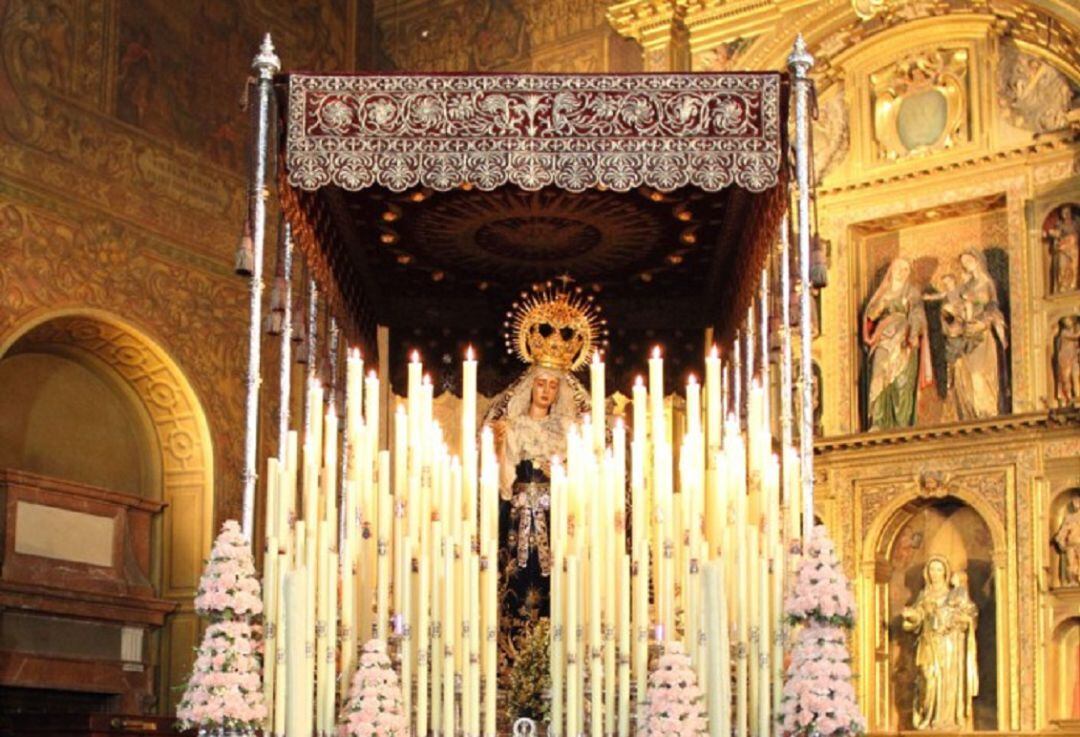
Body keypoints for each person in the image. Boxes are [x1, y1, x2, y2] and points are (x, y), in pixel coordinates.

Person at [901, 556, 978, 730]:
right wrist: (911, 616)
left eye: (938, 569)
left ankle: (945, 720)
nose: (935, 573)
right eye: (932, 569)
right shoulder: (924, 595)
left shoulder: (956, 593)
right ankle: (927, 716)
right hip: (928, 643)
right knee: (928, 678)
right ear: (927, 573)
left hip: (949, 644)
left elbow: (970, 615)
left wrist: (958, 620)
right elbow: (917, 618)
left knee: (947, 681)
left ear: (945, 572)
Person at [863, 258, 931, 430]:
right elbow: (870, 316)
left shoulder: (912, 292)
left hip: (904, 338)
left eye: (906, 269)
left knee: (903, 380)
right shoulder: (882, 294)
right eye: (900, 268)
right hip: (883, 338)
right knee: (878, 375)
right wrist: (881, 304)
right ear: (892, 270)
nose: (903, 272)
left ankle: (902, 424)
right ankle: (878, 420)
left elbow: (917, 312)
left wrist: (914, 332)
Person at [952, 250, 1008, 420]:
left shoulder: (987, 283)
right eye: (964, 262)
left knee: (978, 374)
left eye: (969, 259)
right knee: (962, 374)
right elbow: (958, 308)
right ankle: (970, 413)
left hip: (982, 335)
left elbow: (993, 307)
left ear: (977, 261)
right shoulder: (965, 287)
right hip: (966, 335)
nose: (967, 263)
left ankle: (986, 412)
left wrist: (983, 322)